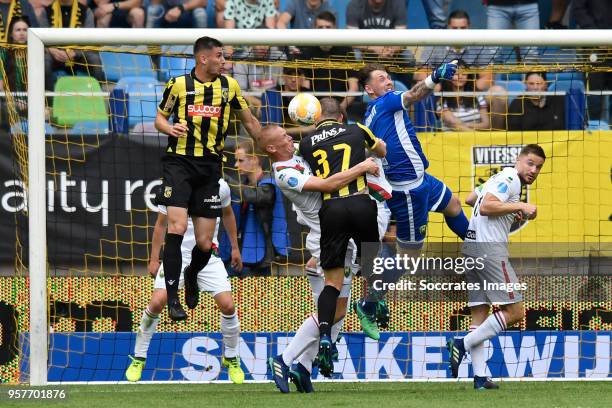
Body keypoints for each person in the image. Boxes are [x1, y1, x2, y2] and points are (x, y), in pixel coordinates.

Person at [258, 124, 389, 392]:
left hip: (337, 233)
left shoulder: (294, 153)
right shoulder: (284, 173)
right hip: (326, 235)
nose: (290, 137)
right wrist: (362, 167)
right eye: (284, 136)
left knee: (336, 312)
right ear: (272, 148)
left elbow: (323, 143)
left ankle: (303, 368)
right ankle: (284, 359)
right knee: (336, 310)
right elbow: (329, 184)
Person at [353, 61, 469, 339]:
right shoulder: (385, 103)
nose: (389, 81)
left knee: (453, 204)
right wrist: (434, 77)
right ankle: (368, 304)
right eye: (381, 78)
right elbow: (415, 94)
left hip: (421, 180)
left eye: (389, 77)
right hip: (408, 192)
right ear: (370, 89)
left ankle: (478, 245)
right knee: (410, 259)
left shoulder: (372, 114)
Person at [155, 36, 261, 321]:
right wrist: (170, 128)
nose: (224, 61)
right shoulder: (177, 85)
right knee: (176, 226)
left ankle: (192, 273)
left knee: (204, 244)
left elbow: (249, 122)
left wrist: (269, 146)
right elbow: (159, 118)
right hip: (178, 163)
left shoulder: (230, 87)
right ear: (203, 59)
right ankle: (173, 298)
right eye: (219, 56)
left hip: (210, 167)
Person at [124, 179, 245, 384]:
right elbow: (161, 224)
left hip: (208, 256)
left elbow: (228, 214)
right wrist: (154, 258)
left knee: (228, 305)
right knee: (157, 302)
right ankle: (138, 358)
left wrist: (234, 247)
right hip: (176, 255)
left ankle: (232, 357)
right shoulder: (174, 185)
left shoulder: (220, 186)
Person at [298, 98, 386, 376]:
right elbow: (382, 150)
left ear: (317, 118)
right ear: (342, 115)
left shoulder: (306, 142)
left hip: (331, 209)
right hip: (360, 203)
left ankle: (325, 335)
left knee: (332, 282)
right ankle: (371, 303)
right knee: (372, 260)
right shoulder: (357, 129)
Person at [447, 144, 546, 390]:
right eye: (530, 163)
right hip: (489, 250)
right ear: (519, 160)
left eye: (539, 167)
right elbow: (486, 206)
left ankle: (480, 378)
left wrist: (509, 212)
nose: (534, 170)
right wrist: (520, 206)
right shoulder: (511, 178)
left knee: (479, 313)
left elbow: (472, 198)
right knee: (515, 311)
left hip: (471, 247)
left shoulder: (497, 177)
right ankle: (462, 344)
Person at [219, 140, 289, 277]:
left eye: (240, 160)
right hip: (235, 255)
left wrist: (222, 176)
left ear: (254, 160)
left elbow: (252, 195)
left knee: (256, 298)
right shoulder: (242, 185)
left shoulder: (269, 186)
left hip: (257, 259)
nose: (235, 165)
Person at [297, 11, 361, 117]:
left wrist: (341, 108)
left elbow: (353, 88)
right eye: (320, 27)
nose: (324, 31)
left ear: (335, 28)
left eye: (328, 27)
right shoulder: (307, 52)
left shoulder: (346, 51)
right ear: (315, 29)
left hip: (343, 107)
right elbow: (305, 89)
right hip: (316, 109)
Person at [37, 0, 106, 90]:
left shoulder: (86, 11)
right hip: (55, 54)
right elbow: (42, 38)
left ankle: (98, 98)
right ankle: (50, 101)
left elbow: (90, 41)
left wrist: (75, 52)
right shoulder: (46, 12)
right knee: (44, 62)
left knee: (95, 60)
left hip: (79, 54)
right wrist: (52, 50)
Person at [437, 61, 490, 131]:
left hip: (474, 139)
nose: (460, 77)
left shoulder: (477, 96)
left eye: (464, 74)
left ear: (468, 76)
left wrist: (467, 125)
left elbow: (486, 124)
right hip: (451, 139)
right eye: (456, 74)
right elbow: (451, 122)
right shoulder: (442, 99)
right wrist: (476, 136)